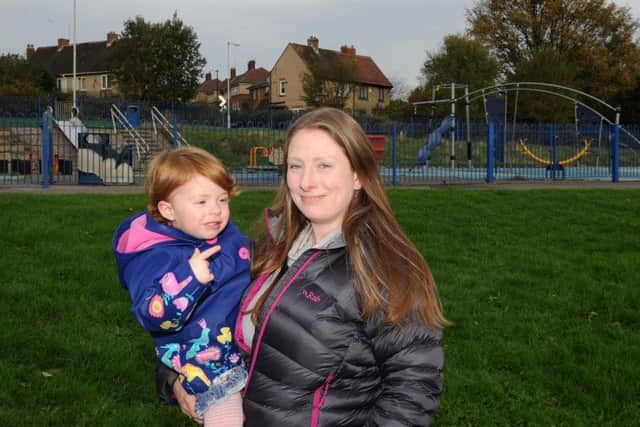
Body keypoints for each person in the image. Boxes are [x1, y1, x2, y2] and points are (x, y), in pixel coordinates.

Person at [235, 107, 447, 426]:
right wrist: (176, 377)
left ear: (358, 175)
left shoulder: (385, 267)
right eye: (296, 166)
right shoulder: (270, 244)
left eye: (324, 165)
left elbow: (412, 393)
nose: (307, 182)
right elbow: (205, 317)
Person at [113, 147, 251, 426]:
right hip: (209, 366)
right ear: (168, 210)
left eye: (222, 199)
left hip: (241, 349)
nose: (216, 210)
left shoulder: (220, 233)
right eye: (201, 202)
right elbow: (153, 315)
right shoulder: (155, 256)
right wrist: (190, 278)